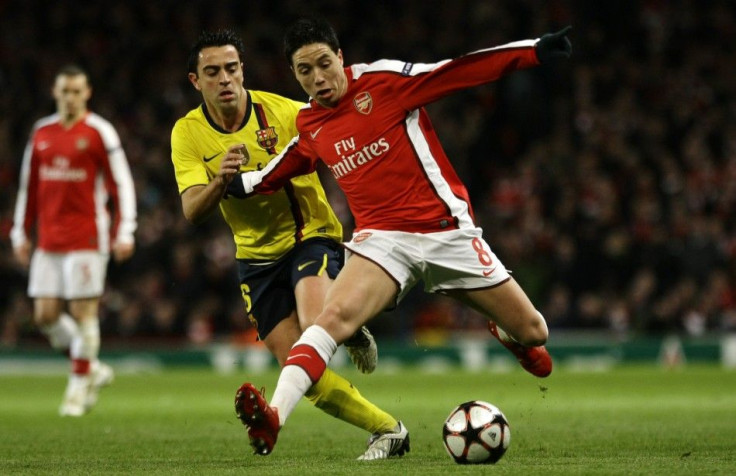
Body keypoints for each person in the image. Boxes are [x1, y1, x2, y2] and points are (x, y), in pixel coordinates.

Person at [227, 17, 572, 455]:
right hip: (383, 242)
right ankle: (274, 417)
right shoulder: (311, 125)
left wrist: (533, 51)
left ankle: (508, 333)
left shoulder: (384, 81)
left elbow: (455, 71)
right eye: (304, 71)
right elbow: (279, 169)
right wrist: (236, 183)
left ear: (340, 58)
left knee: (534, 330)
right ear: (294, 75)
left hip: (446, 233)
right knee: (330, 321)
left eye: (322, 64)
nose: (317, 79)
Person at [170, 29, 409, 460]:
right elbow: (191, 210)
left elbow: (342, 133)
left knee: (315, 326)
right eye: (212, 72)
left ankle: (346, 318)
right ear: (195, 81)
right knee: (302, 371)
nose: (224, 79)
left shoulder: (285, 113)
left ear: (242, 70)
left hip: (309, 236)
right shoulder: (187, 134)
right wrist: (221, 180)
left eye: (231, 68)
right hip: (256, 261)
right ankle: (389, 430)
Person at [10, 64, 137, 416]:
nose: (70, 97)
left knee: (83, 313)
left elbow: (121, 183)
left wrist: (125, 230)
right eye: (65, 91)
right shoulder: (41, 132)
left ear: (87, 93)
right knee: (45, 316)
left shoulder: (100, 132)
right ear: (55, 92)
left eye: (77, 91)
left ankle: (77, 388)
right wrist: (21, 232)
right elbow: (29, 186)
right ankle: (92, 368)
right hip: (48, 240)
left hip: (86, 237)